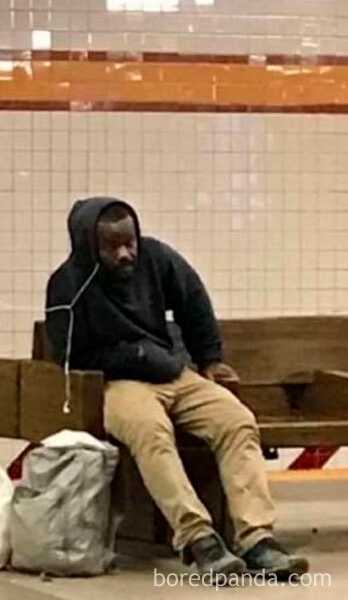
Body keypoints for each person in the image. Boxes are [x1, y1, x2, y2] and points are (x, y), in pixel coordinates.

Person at [45, 196, 309, 579]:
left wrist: (210, 359)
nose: (125, 254)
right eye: (112, 246)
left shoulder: (155, 257)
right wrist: (134, 356)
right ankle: (199, 538)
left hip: (173, 373)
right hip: (116, 383)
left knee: (236, 421)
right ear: (90, 246)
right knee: (151, 432)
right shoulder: (67, 284)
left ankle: (257, 539)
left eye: (130, 242)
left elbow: (194, 302)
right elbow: (70, 354)